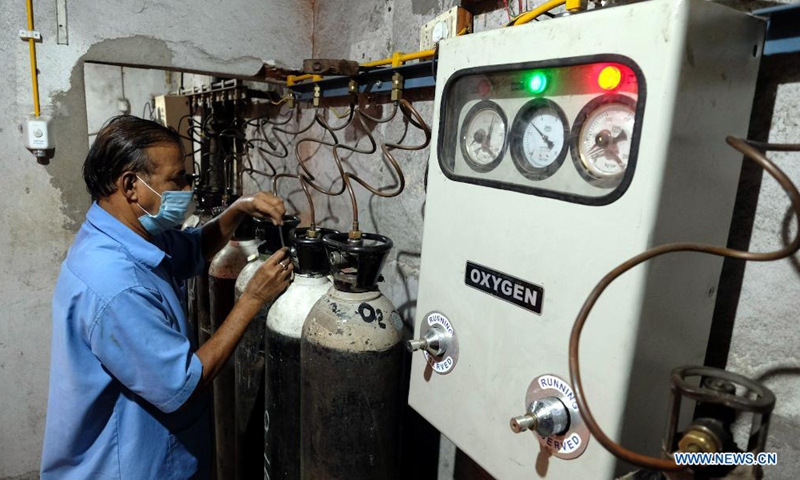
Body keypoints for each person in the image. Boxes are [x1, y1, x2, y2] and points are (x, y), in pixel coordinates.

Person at [40, 115, 292, 479]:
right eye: (178, 179)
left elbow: (195, 248)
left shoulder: (125, 233)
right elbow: (183, 385)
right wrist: (253, 298)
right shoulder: (116, 283)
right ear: (131, 185)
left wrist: (239, 208)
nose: (188, 188)